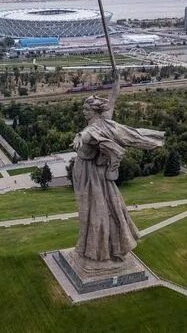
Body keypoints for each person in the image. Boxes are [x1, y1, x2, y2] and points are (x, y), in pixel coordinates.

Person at [71, 70, 164, 263]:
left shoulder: (92, 129)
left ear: (95, 111)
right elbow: (112, 100)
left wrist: (80, 136)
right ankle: (108, 248)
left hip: (91, 176)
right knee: (108, 209)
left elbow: (87, 135)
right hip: (98, 174)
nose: (84, 112)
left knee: (96, 213)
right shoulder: (106, 120)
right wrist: (116, 82)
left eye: (86, 110)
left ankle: (100, 251)